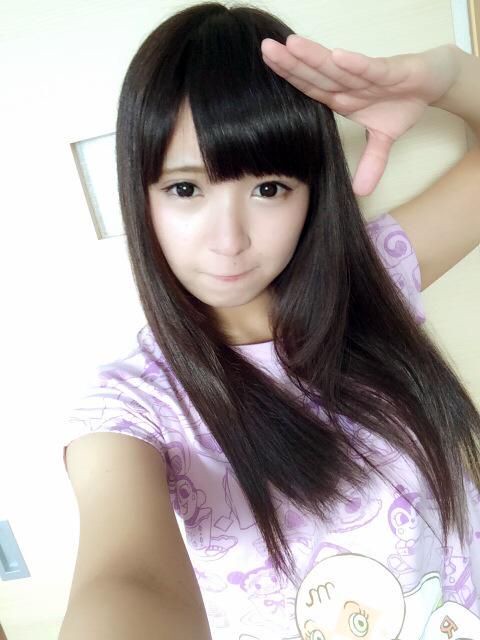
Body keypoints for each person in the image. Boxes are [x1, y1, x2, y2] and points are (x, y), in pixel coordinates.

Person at [59, 2, 480, 639]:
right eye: (185, 189)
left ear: (313, 190)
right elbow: (126, 580)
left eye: (269, 188)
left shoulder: (373, 282)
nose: (229, 241)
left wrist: (447, 73)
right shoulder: (133, 407)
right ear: (138, 195)